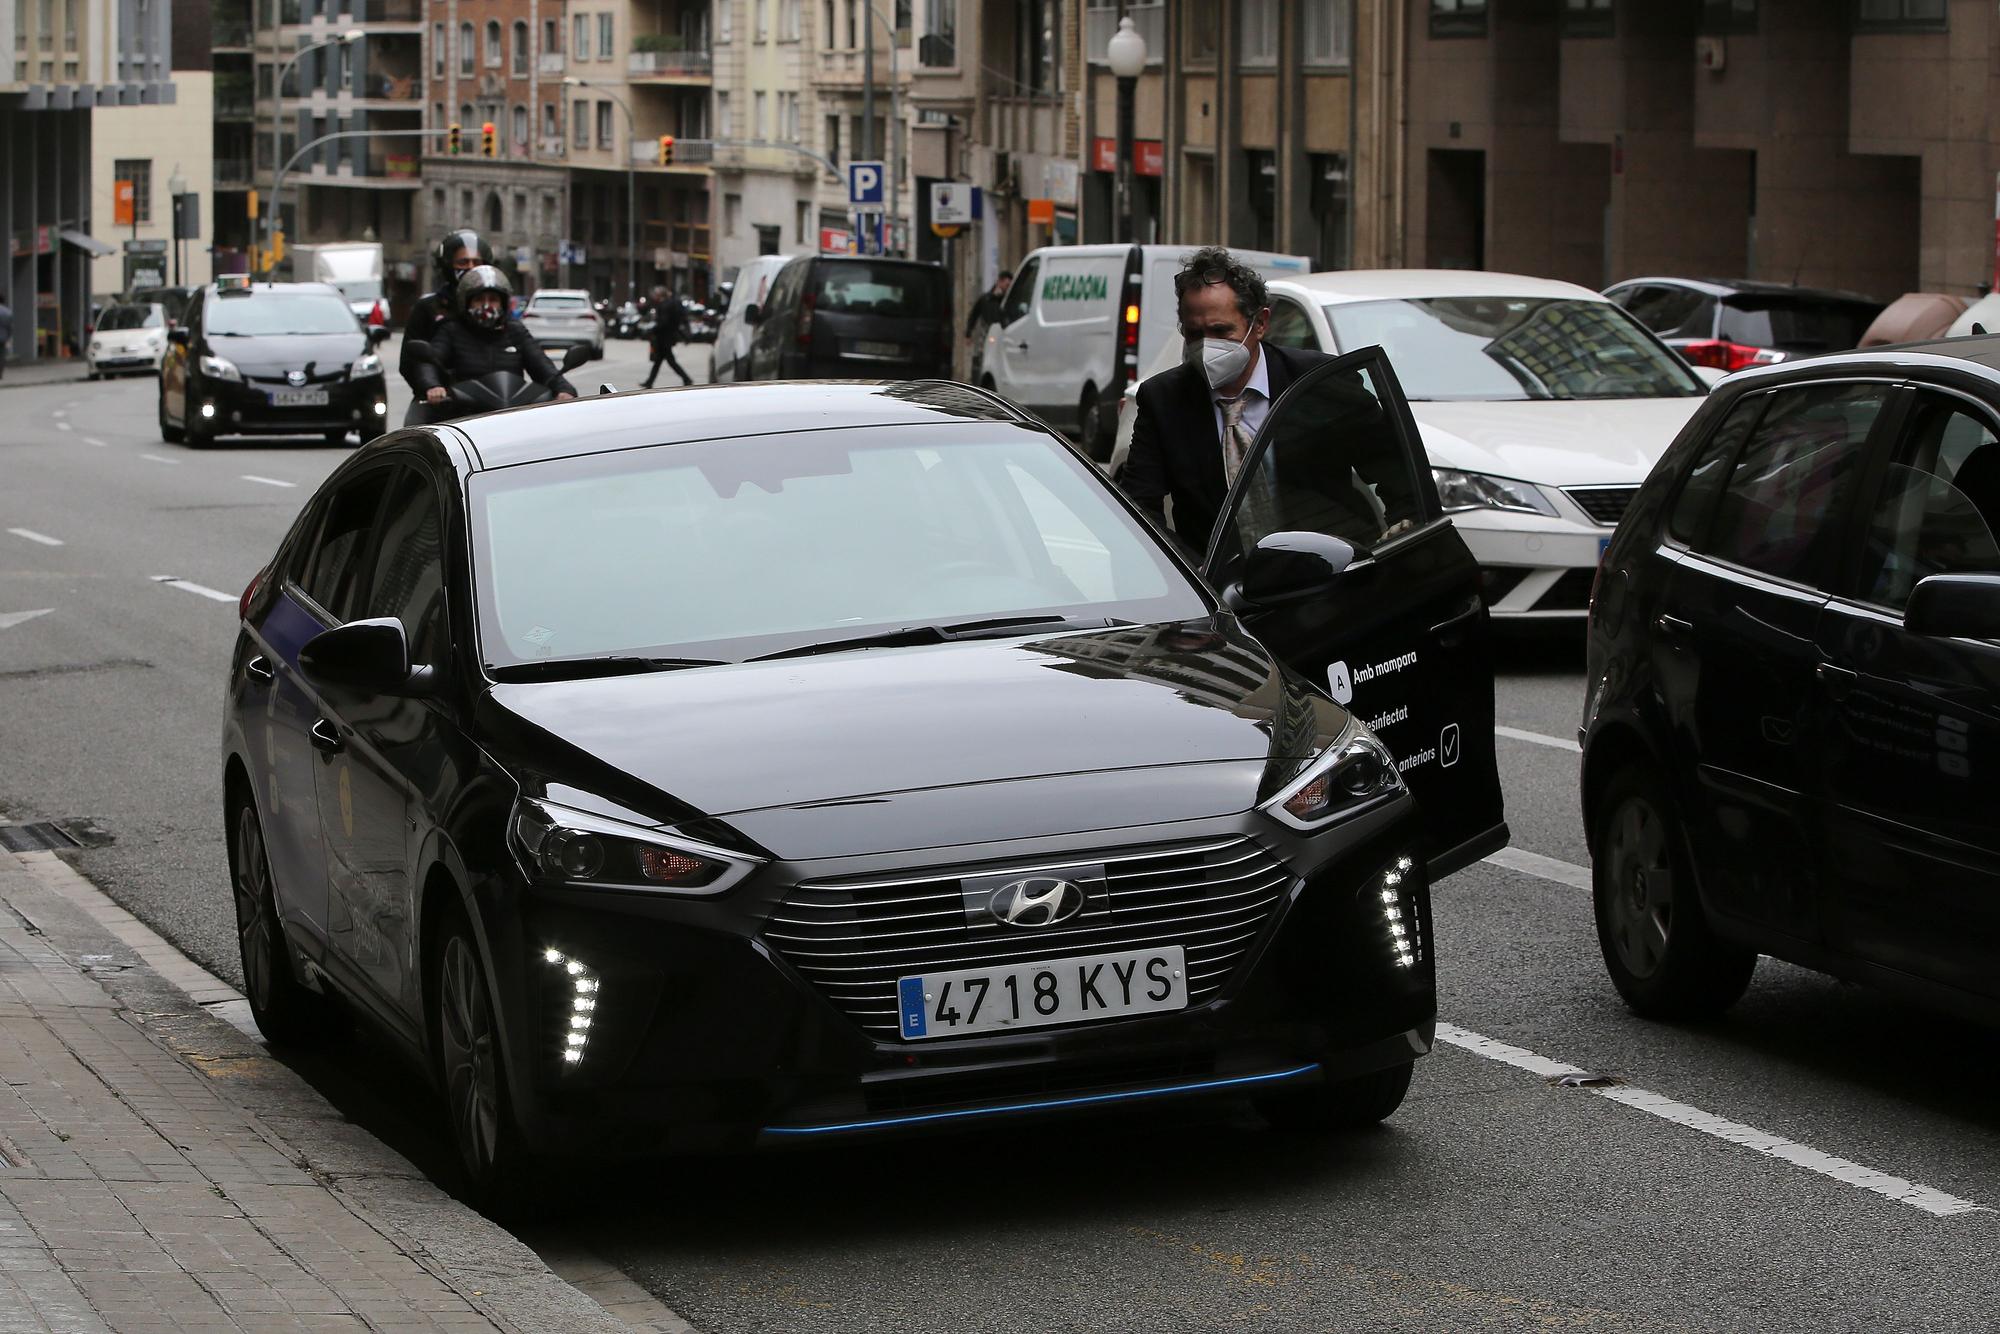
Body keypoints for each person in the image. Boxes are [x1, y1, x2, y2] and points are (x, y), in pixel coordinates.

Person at [1120, 246, 1412, 557]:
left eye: (1221, 331)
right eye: (1195, 333)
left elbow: (1396, 473)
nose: (1206, 345)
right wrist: (1193, 576)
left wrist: (1401, 532)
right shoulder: (1164, 401)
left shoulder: (1319, 382)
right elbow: (1140, 509)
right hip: (1223, 590)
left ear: (1259, 324)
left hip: (1327, 576)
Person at [408, 265, 575, 419]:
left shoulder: (516, 331)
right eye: (479, 299)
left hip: (513, 416)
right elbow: (430, 361)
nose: (486, 305)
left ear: (503, 303)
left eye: (493, 299)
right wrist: (433, 386)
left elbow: (543, 366)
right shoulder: (451, 330)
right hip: (464, 416)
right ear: (466, 302)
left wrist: (563, 389)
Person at [400, 228, 493, 416]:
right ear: (447, 265)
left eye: (476, 262)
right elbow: (411, 361)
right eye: (463, 262)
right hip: (441, 401)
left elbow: (524, 350)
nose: (470, 268)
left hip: (491, 399)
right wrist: (431, 387)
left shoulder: (495, 309)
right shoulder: (428, 308)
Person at [641, 284, 694, 388]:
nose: (654, 296)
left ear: (659, 294)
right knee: (660, 361)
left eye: (655, 294)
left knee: (669, 362)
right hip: (666, 337)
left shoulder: (665, 305)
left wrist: (652, 330)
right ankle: (649, 382)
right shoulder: (667, 303)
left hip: (664, 338)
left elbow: (664, 322)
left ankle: (686, 379)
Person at [964, 269, 1013, 381]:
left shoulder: (1009, 300)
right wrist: (968, 333)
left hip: (1003, 335)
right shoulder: (986, 299)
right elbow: (974, 315)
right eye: (1006, 284)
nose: (1007, 288)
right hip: (987, 334)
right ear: (999, 282)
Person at [0, 296, 11, 382]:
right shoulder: (7, 312)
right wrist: (8, 338)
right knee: (2, 356)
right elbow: (10, 327)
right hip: (3, 338)